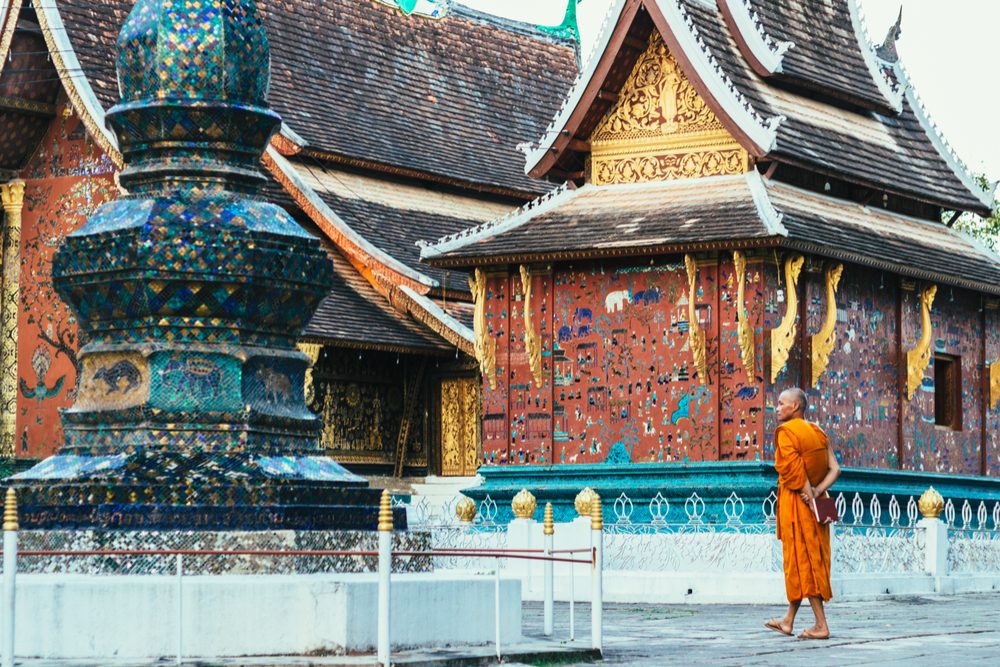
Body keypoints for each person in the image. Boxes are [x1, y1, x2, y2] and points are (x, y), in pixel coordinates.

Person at [763, 388, 841, 640]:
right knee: (803, 561)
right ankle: (788, 620)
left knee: (804, 562)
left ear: (795, 406)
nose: (776, 408)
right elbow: (835, 469)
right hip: (819, 502)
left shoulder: (786, 433)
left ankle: (821, 625)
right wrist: (818, 492)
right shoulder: (818, 432)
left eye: (781, 403)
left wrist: (808, 495)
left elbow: (795, 473)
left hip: (799, 504)